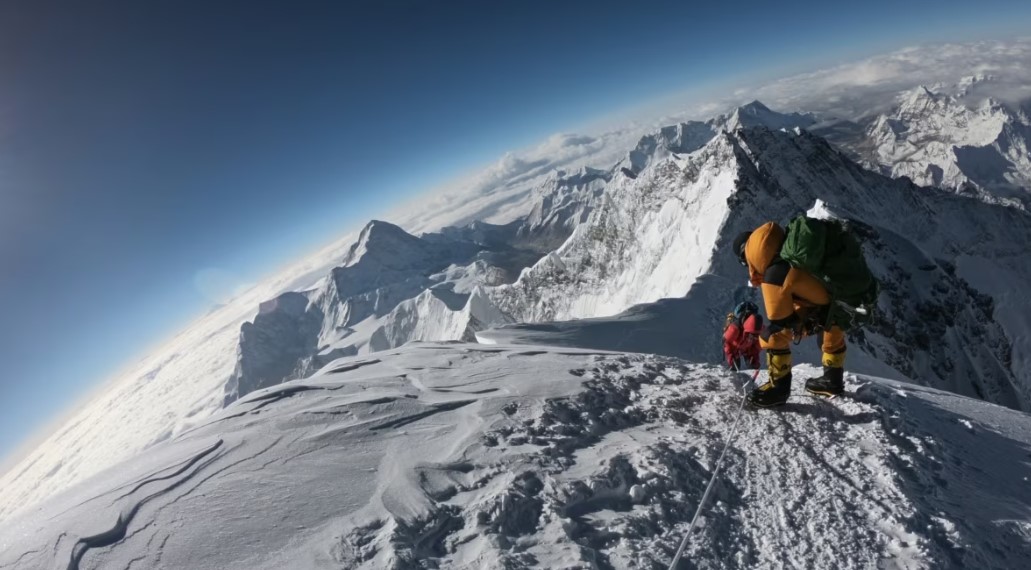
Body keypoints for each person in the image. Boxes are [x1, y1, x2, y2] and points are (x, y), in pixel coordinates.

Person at [732, 223, 846, 407]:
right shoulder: (790, 254)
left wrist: (799, 324)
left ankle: (778, 390)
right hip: (841, 297)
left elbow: (781, 324)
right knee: (832, 320)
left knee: (772, 335)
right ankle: (832, 380)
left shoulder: (773, 275)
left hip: (822, 304)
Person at [723, 302, 762, 370]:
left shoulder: (759, 330)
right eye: (752, 335)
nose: (754, 337)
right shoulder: (734, 329)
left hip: (746, 348)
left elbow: (756, 348)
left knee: (752, 365)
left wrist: (755, 360)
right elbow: (726, 342)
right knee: (734, 366)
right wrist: (730, 356)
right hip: (734, 348)